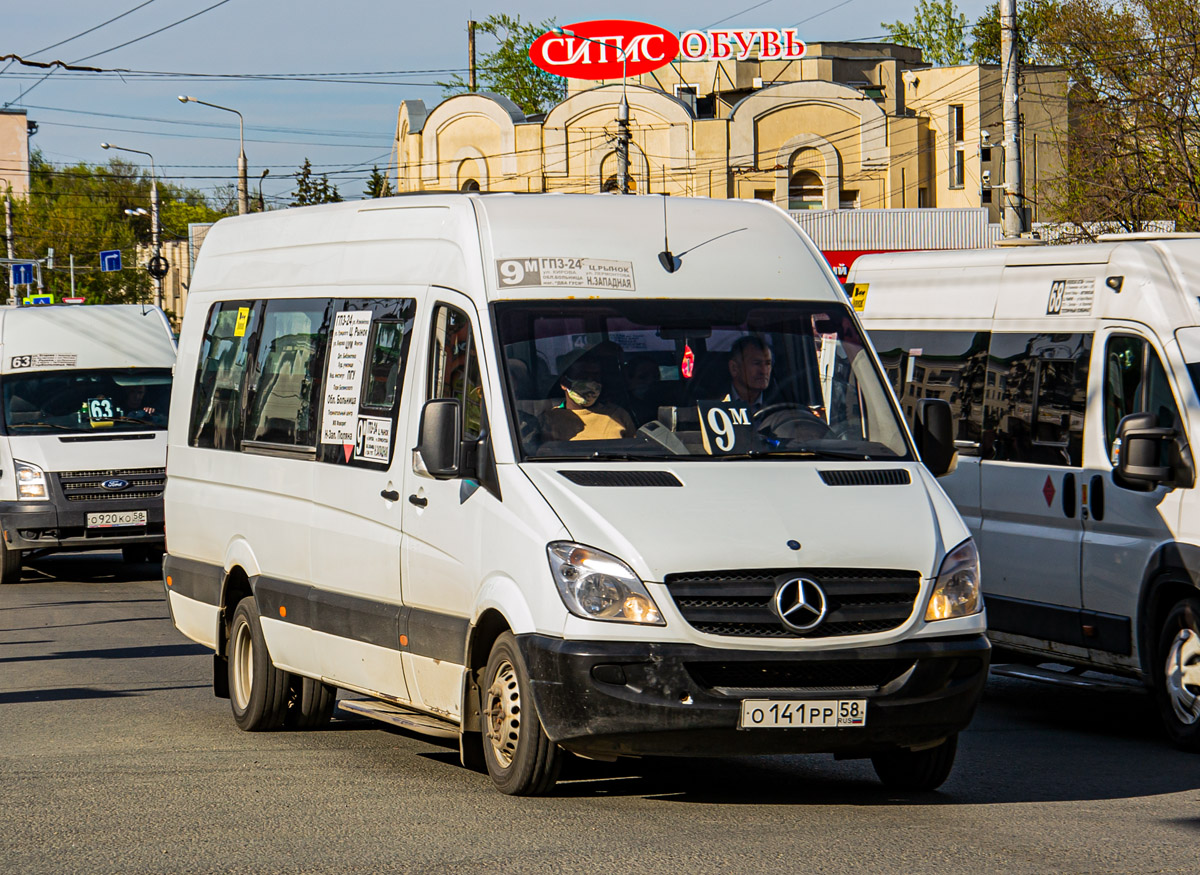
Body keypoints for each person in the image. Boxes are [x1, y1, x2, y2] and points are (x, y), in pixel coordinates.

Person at [539, 351, 635, 442]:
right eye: (583, 377)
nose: (591, 382)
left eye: (595, 376)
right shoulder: (549, 420)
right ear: (564, 383)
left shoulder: (618, 415)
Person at [724, 335, 773, 414]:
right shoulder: (712, 403)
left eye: (768, 364)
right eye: (757, 363)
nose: (764, 371)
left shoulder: (783, 405)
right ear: (734, 368)